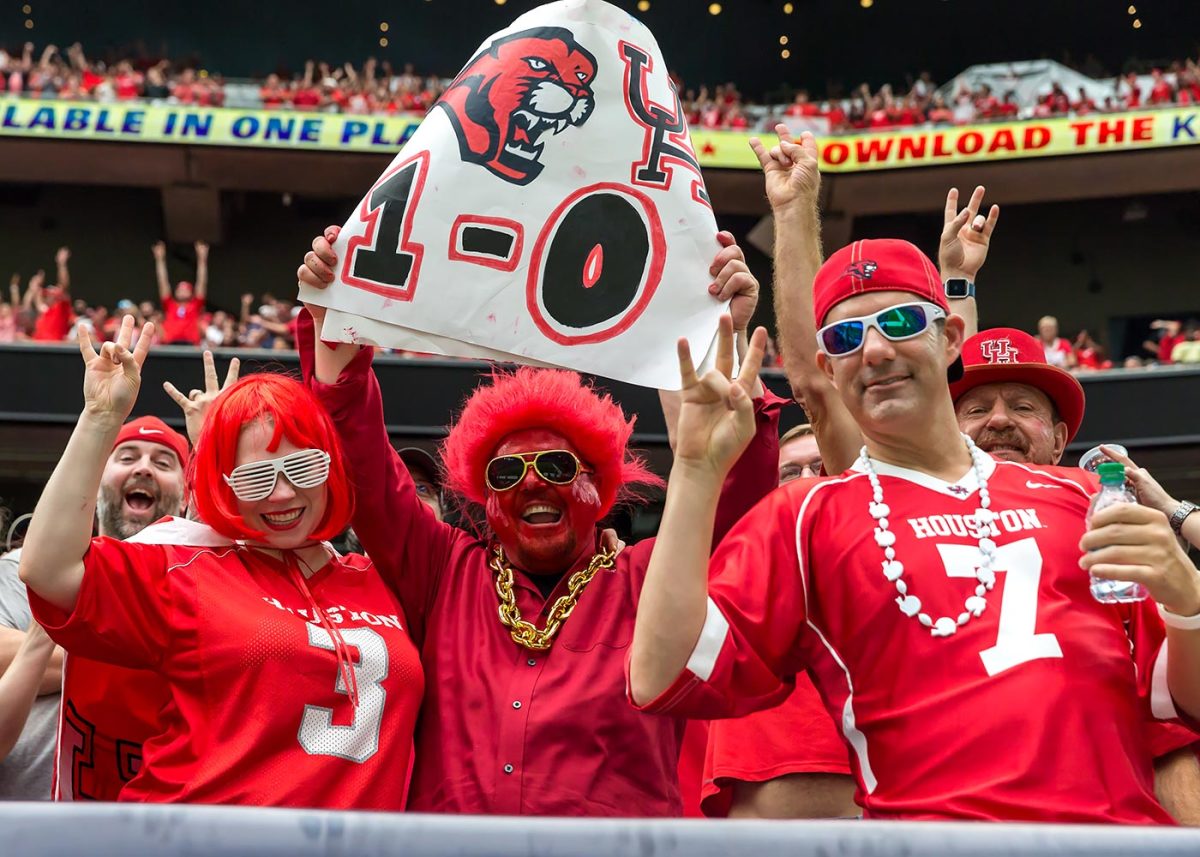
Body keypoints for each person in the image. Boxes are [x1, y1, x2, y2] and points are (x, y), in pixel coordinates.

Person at [629, 200, 1199, 821]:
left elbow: (1180, 706)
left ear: (951, 337)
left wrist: (1188, 600)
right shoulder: (805, 517)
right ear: (829, 367)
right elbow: (661, 676)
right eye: (845, 337)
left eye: (900, 322)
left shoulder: (1080, 498)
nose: (873, 350)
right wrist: (692, 470)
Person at [297, 229, 781, 816]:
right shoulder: (443, 570)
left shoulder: (651, 578)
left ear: (597, 486)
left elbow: (736, 517)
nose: (532, 483)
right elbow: (366, 464)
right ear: (484, 496)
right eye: (505, 474)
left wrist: (716, 335)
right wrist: (336, 324)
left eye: (555, 465)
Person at [19, 317, 423, 808]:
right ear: (224, 486)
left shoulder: (380, 579)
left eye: (303, 467)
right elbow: (49, 571)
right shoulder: (188, 570)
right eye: (255, 478)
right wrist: (101, 419)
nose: (282, 493)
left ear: (332, 467)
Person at [153, 241, 208, 346]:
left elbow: (201, 282)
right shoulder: (170, 304)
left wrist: (202, 259)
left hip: (191, 345)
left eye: (185, 289)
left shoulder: (195, 304)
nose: (182, 291)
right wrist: (160, 260)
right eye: (179, 289)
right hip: (170, 344)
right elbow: (162, 282)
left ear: (191, 293)